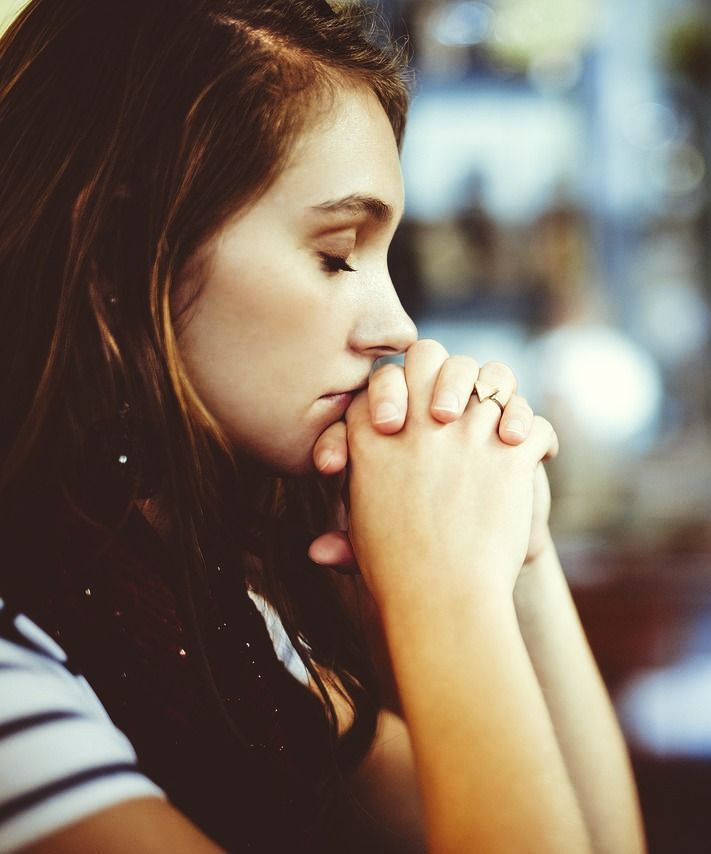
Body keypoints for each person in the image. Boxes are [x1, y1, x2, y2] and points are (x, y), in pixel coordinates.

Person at [0, 1, 645, 851]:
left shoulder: (212, 607)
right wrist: (443, 595)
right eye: (338, 253)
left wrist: (515, 551)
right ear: (124, 251)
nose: (400, 328)